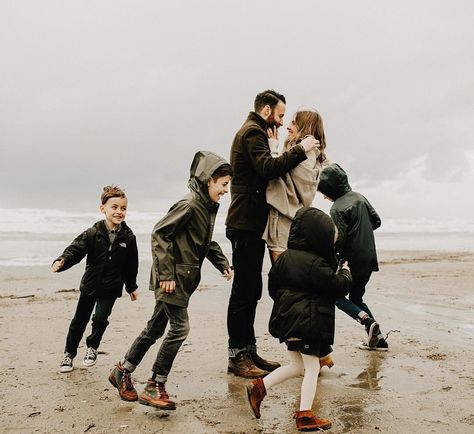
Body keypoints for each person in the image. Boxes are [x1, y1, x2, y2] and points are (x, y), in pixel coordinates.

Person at [109, 151, 233, 410]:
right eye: (223, 185)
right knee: (180, 329)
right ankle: (155, 383)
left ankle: (123, 370)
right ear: (209, 180)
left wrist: (222, 263)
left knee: (155, 329)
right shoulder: (189, 205)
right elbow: (160, 234)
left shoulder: (206, 208)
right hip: (172, 279)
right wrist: (166, 274)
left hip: (182, 280)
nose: (225, 191)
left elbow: (205, 242)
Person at [226, 89, 318, 378]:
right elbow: (267, 168)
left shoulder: (257, 132)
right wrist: (300, 149)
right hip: (244, 223)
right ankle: (237, 355)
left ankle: (249, 351)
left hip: (251, 224)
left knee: (251, 290)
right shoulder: (252, 133)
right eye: (279, 115)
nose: (281, 122)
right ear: (266, 111)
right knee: (243, 291)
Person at [246, 207, 351, 431]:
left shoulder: (284, 258)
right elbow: (337, 287)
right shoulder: (316, 264)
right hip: (308, 323)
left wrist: (287, 306)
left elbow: (273, 287)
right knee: (311, 368)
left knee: (297, 366)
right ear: (318, 237)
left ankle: (259, 387)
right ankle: (304, 415)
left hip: (288, 321)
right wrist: (345, 272)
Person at [52, 185, 138, 373]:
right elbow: (76, 249)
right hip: (90, 284)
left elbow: (131, 265)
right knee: (79, 321)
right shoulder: (93, 232)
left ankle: (92, 347)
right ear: (103, 209)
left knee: (100, 318)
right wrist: (62, 261)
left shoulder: (128, 237)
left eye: (123, 208)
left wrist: (131, 287)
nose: (119, 212)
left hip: (112, 286)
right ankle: (69, 354)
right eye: (114, 207)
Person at [317, 163, 388, 350]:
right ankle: (379, 339)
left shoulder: (336, 208)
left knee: (337, 298)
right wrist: (361, 231)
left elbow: (339, 240)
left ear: (331, 188)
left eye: (324, 192)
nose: (324, 196)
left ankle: (366, 321)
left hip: (352, 259)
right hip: (369, 257)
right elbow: (377, 221)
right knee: (356, 298)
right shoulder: (359, 197)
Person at [263, 108, 330, 265]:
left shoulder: (301, 156)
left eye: (293, 122)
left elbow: (274, 176)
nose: (288, 126)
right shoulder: (317, 156)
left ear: (304, 126)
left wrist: (273, 148)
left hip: (283, 223)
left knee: (282, 277)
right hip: (300, 225)